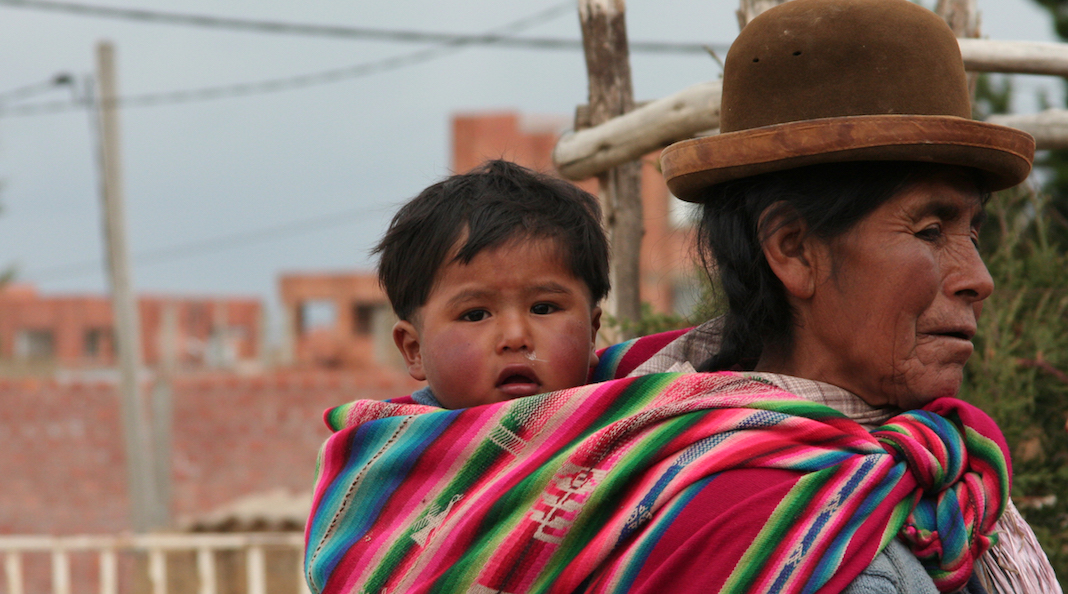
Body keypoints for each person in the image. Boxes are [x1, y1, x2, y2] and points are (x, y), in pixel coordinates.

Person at [302, 0, 1062, 592]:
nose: (978, 275)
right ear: (792, 249)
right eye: (930, 230)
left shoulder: (928, 482)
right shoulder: (781, 534)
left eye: (973, 230)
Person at [373, 159, 607, 409]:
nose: (516, 337)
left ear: (591, 334)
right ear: (415, 349)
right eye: (475, 315)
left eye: (543, 309)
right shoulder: (390, 444)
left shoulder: (631, 425)